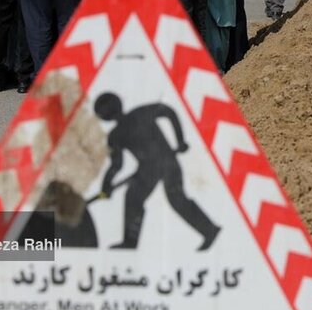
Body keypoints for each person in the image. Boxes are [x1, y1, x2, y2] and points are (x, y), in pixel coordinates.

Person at [94, 93, 220, 250]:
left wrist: (180, 140)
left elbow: (168, 112)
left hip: (166, 162)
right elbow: (116, 165)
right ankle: (130, 243)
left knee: (174, 198)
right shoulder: (117, 134)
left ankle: (210, 230)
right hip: (148, 169)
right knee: (133, 198)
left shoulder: (134, 119)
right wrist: (106, 186)